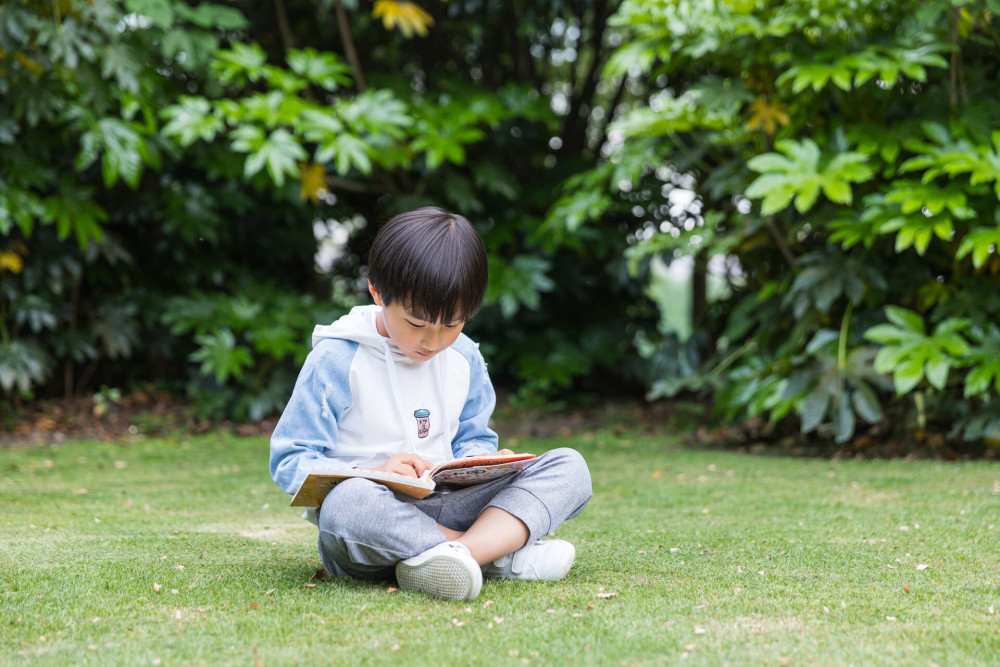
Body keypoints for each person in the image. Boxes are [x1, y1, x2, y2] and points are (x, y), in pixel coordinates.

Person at [269, 206, 592, 600]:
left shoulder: (466, 357)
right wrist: (371, 472)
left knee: (569, 466)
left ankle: (455, 556)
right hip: (372, 526)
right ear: (376, 292)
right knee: (347, 503)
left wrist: (488, 466)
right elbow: (290, 460)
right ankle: (488, 553)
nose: (434, 342)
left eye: (453, 325)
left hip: (449, 501)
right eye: (418, 324)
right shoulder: (338, 357)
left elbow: (473, 438)